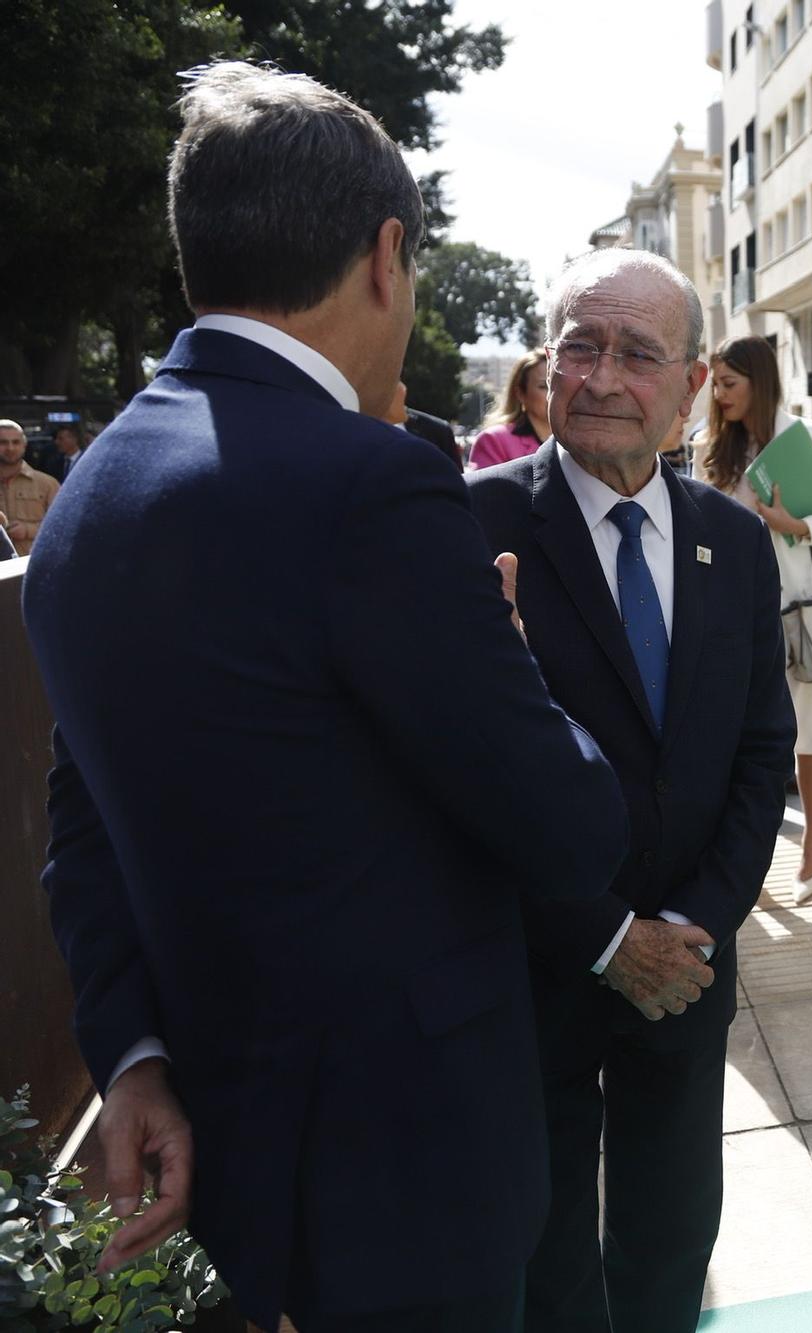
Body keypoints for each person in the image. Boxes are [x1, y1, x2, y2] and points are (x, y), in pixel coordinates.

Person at [21, 63, 628, 1333]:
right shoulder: (370, 486)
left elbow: (80, 820)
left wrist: (129, 1049)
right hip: (412, 1169)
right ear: (385, 256)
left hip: (236, 1143)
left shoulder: (85, 500)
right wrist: (504, 650)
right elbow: (572, 832)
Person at [467, 251, 793, 1333]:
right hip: (537, 963)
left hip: (687, 968)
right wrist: (607, 936)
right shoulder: (469, 531)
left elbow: (759, 756)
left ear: (693, 384)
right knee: (547, 1250)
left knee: (670, 1232)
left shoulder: (736, 541)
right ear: (544, 363)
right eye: (579, 346)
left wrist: (694, 921)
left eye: (637, 353)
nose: (602, 377)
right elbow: (462, 774)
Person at [701, 332, 812, 905]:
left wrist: (793, 525)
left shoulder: (805, 436)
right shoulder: (708, 446)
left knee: (810, 735)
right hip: (737, 614)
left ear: (759, 383)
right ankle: (744, 858)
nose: (718, 394)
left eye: (729, 383)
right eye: (715, 383)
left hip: (805, 611)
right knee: (743, 737)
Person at [470, 348, 552, 469]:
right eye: (544, 386)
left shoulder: (575, 440)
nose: (553, 393)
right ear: (520, 394)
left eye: (557, 384)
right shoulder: (494, 441)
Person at [0, 419, 61, 555]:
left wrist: (28, 530)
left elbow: (65, 527)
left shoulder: (47, 484)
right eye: (3, 442)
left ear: (24, 445)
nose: (10, 448)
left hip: (33, 568)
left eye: (16, 442)